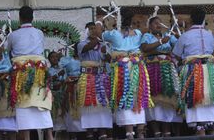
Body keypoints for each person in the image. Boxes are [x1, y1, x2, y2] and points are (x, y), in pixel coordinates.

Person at [98, 8, 152, 139]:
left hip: (122, 68)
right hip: (136, 66)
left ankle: (129, 133)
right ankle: (140, 132)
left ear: (118, 19)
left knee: (124, 95)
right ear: (132, 20)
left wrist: (100, 22)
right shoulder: (138, 33)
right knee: (137, 94)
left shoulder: (114, 34)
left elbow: (100, 34)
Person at [172, 8, 214, 136]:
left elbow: (176, 55)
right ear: (203, 19)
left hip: (193, 72)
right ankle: (212, 129)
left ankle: (200, 130)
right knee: (210, 102)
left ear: (191, 19)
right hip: (209, 71)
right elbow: (212, 51)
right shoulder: (209, 35)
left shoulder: (185, 36)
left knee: (195, 101)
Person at [7, 6, 53, 140]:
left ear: (19, 18)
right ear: (32, 18)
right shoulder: (39, 33)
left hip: (22, 75)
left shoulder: (13, 35)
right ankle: (49, 136)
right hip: (38, 75)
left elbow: (7, 51)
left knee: (24, 108)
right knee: (42, 104)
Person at [140, 16, 181, 137]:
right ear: (150, 26)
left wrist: (178, 35)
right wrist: (161, 42)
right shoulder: (147, 36)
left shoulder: (168, 36)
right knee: (153, 98)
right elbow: (145, 48)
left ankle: (167, 131)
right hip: (152, 70)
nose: (158, 25)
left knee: (167, 98)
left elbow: (179, 45)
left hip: (167, 69)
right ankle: (156, 131)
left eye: (160, 23)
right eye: (155, 23)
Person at [77, 22, 112, 139]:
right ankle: (90, 133)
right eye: (90, 29)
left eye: (94, 28)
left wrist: (105, 52)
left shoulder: (103, 44)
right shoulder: (81, 44)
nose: (93, 30)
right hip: (87, 78)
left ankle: (103, 133)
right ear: (86, 31)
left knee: (102, 104)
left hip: (101, 77)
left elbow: (109, 59)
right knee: (89, 104)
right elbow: (88, 47)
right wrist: (98, 39)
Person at [48, 51, 66, 133]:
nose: (55, 58)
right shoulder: (48, 70)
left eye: (56, 56)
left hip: (63, 95)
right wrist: (58, 75)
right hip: (54, 97)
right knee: (54, 118)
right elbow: (49, 80)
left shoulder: (63, 68)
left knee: (63, 117)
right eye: (52, 57)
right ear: (49, 59)